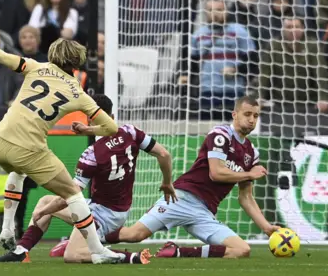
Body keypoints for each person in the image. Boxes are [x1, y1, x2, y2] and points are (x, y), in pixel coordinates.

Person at [0, 25, 123, 264]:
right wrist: (88, 129)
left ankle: (7, 228)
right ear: (76, 62)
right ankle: (98, 251)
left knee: (18, 170)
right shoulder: (78, 92)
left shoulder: (36, 67)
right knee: (72, 193)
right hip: (27, 147)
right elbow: (111, 128)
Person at [0, 94, 174, 264]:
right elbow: (164, 154)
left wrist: (41, 213)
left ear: (89, 116)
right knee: (45, 201)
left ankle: (130, 257)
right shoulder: (131, 132)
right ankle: (21, 251)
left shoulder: (91, 154)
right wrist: (167, 182)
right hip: (120, 211)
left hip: (101, 215)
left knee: (71, 254)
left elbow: (71, 195)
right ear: (112, 114)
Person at [102, 96, 280, 259]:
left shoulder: (251, 153)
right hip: (181, 198)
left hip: (204, 212)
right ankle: (89, 238)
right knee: (135, 235)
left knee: (242, 250)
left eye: (256, 116)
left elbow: (246, 197)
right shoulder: (221, 135)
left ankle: (176, 251)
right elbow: (216, 173)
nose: (251, 120)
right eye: (247, 114)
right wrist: (249, 174)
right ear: (235, 114)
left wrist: (266, 227)